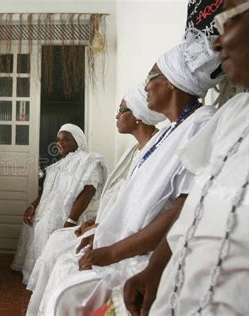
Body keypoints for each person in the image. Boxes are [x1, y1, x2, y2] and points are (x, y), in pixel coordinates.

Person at [35, 36, 224, 315]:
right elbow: (136, 201)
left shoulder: (201, 125)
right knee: (64, 266)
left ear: (171, 81)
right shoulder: (173, 130)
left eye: (152, 77)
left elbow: (182, 209)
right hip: (129, 243)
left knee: (68, 292)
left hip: (152, 252)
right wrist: (105, 233)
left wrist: (113, 250)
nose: (146, 85)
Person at [124, 1, 249, 315]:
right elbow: (195, 207)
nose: (216, 42)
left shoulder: (204, 120)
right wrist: (155, 269)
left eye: (230, 20)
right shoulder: (234, 113)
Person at [25, 83, 166, 315]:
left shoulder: (152, 152)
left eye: (122, 110)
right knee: (54, 248)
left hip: (128, 235)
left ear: (139, 115)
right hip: (109, 224)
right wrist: (97, 223)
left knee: (60, 260)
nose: (117, 116)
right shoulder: (134, 152)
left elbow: (144, 207)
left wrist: (80, 223)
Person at [11, 124, 108, 284]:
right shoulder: (57, 165)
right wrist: (32, 206)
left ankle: (47, 280)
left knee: (53, 240)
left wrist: (71, 220)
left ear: (78, 141)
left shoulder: (88, 161)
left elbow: (88, 192)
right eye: (59, 140)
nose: (60, 143)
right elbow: (46, 192)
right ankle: (36, 275)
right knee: (35, 229)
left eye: (66, 139)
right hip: (45, 212)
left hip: (67, 215)